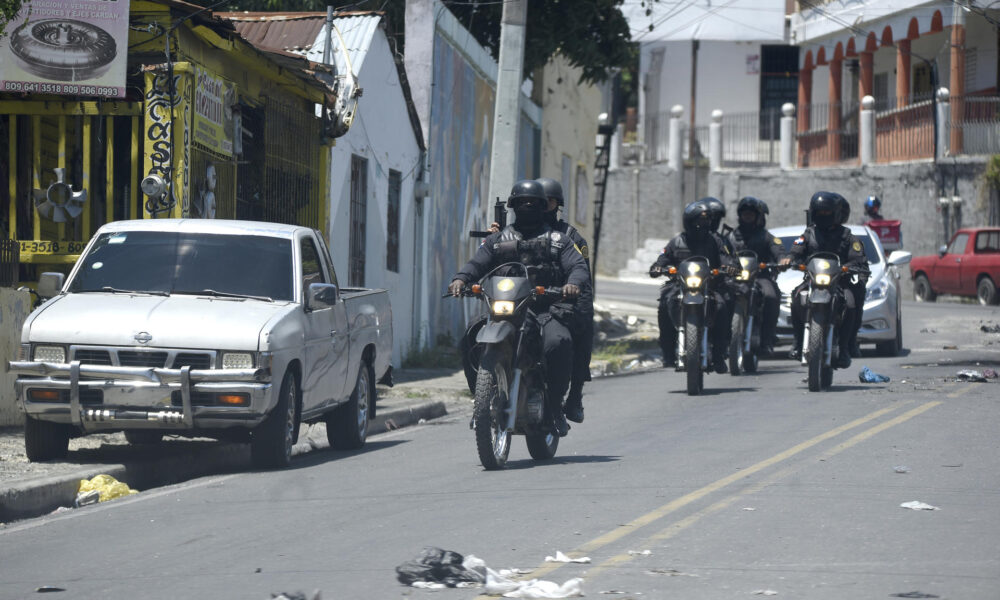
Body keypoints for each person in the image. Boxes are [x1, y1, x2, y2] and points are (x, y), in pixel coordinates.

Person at [449, 180, 589, 436]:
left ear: (543, 206)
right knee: (471, 334)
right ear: (513, 206)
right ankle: (479, 401)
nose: (527, 206)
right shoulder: (498, 240)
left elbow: (578, 267)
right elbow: (476, 264)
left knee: (558, 342)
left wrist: (572, 284)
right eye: (521, 202)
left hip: (545, 309)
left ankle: (556, 406)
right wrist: (461, 279)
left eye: (533, 203)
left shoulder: (559, 240)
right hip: (505, 309)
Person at [781, 191, 869, 368]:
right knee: (797, 297)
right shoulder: (807, 234)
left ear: (836, 214)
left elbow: (858, 258)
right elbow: (796, 250)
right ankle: (798, 343)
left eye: (827, 213)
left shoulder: (848, 236)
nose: (823, 216)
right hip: (813, 280)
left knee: (850, 303)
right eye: (820, 212)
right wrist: (790, 259)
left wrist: (854, 267)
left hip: (839, 282)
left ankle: (845, 347)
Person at [650, 200, 736, 374]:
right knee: (664, 304)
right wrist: (658, 268)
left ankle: (719, 355)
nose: (703, 224)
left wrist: (729, 267)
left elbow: (727, 258)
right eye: (700, 220)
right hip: (679, 286)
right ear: (689, 221)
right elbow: (661, 260)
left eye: (706, 220)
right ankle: (667, 353)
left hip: (708, 286)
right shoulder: (676, 241)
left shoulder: (716, 241)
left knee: (721, 306)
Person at [535, 177, 592, 424]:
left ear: (557, 204)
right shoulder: (517, 232)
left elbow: (582, 275)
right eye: (536, 202)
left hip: (561, 301)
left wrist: (576, 303)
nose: (541, 207)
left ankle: (574, 395)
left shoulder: (571, 237)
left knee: (582, 331)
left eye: (547, 202)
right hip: (523, 300)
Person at [724, 196, 785, 356]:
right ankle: (717, 341)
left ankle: (767, 338)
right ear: (740, 215)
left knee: (771, 296)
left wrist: (781, 260)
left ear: (759, 217)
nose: (748, 217)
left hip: (760, 276)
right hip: (735, 277)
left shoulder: (767, 236)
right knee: (719, 298)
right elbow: (720, 253)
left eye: (751, 214)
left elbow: (779, 251)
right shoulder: (730, 237)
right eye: (745, 214)